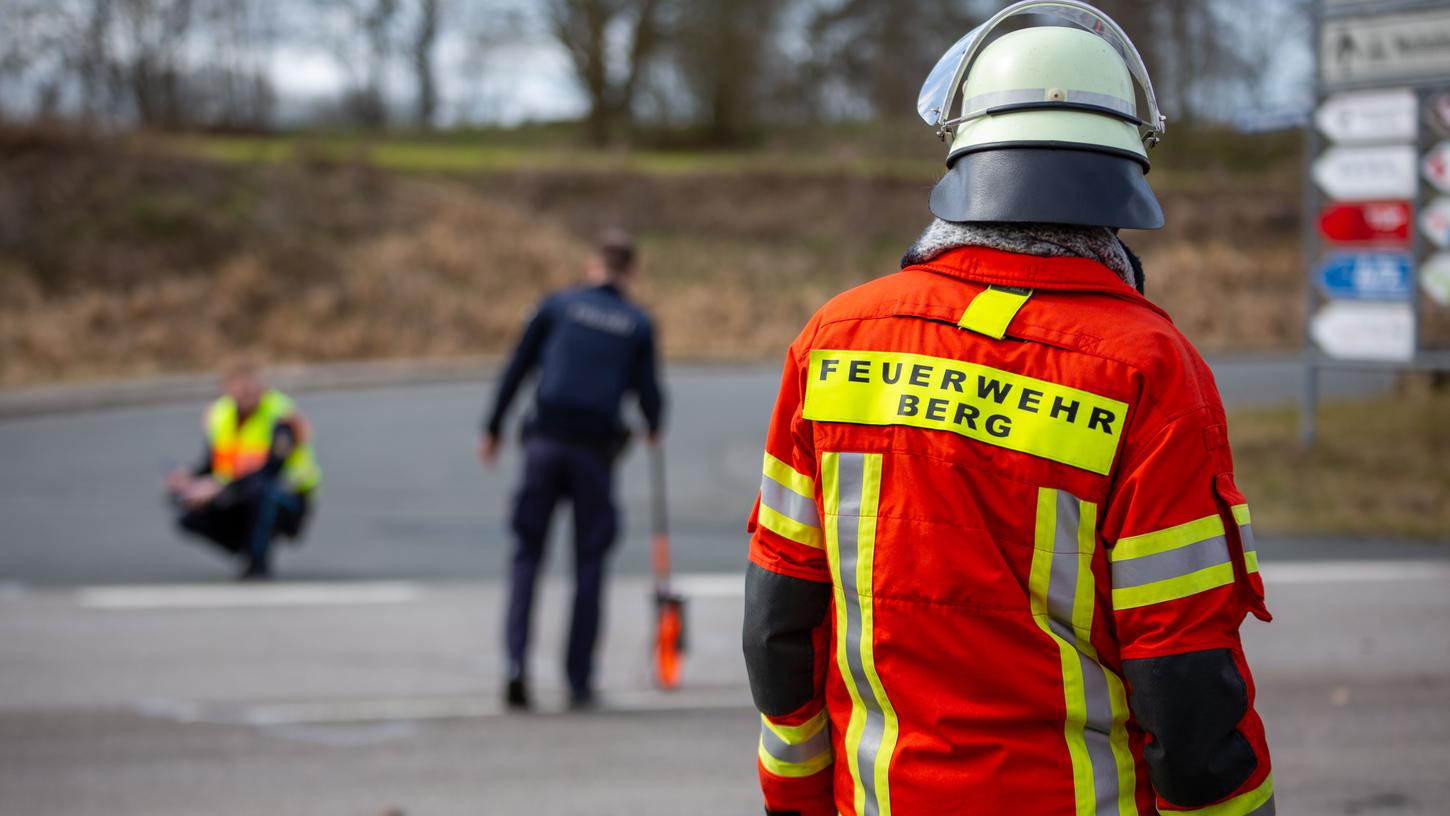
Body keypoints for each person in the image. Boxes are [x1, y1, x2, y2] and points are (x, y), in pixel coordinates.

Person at [741, 3, 1274, 815]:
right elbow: (1185, 679)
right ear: (1125, 172)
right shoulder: (1148, 371)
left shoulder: (836, 340)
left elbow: (779, 626)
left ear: (963, 153)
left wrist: (797, 798)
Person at [481, 230, 665, 710]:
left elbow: (518, 366)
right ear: (632, 273)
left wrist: (493, 427)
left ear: (592, 266)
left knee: (527, 555)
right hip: (593, 455)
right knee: (589, 563)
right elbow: (649, 396)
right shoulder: (637, 324)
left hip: (543, 443)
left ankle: (515, 665)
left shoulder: (556, 305)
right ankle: (578, 679)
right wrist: (653, 425)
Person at [167, 356, 321, 580]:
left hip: (288, 496)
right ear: (226, 388)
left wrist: (218, 488)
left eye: (251, 384)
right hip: (239, 491)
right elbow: (212, 464)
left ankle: (258, 561)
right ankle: (246, 547)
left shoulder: (281, 415)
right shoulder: (221, 415)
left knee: (262, 491)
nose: (246, 391)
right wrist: (188, 479)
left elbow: (271, 470)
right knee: (187, 507)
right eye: (239, 385)